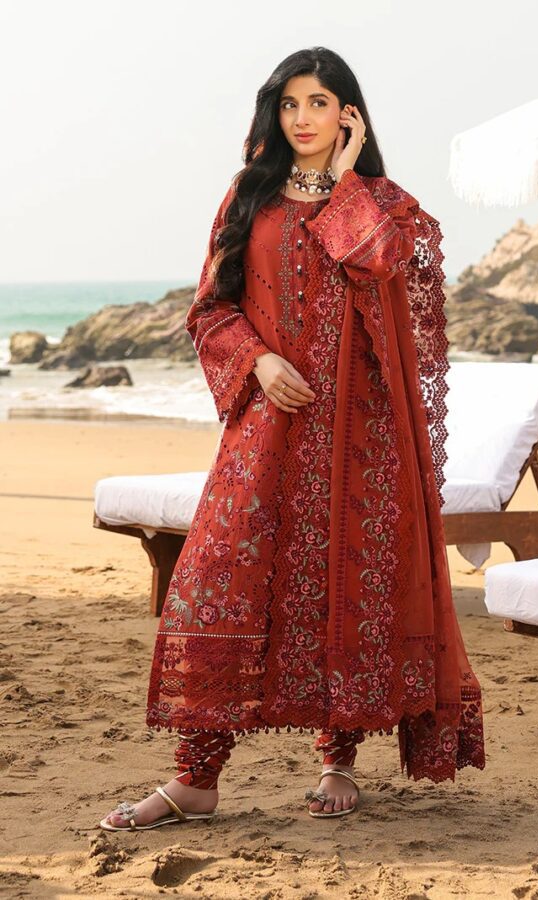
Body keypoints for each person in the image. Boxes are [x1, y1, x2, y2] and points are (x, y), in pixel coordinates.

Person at [100, 45, 485, 832]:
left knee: (347, 587)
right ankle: (196, 779)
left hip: (361, 438)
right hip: (268, 426)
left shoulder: (384, 204)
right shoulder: (248, 197)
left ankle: (338, 758)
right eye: (289, 104)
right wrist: (258, 358)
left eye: (318, 103)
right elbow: (211, 307)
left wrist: (343, 180)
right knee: (219, 576)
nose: (302, 118)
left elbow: (379, 265)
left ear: (349, 115)